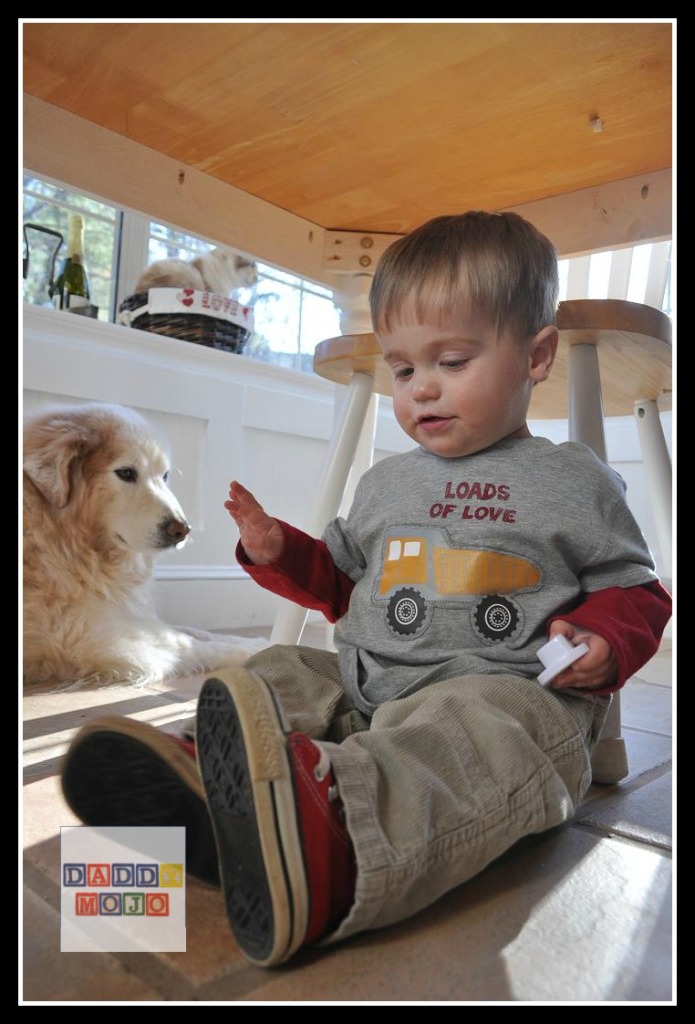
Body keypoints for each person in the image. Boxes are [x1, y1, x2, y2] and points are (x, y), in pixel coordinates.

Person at [61, 211, 672, 970]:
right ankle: (199, 784)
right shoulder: (388, 480)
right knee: (278, 673)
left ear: (535, 355)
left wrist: (606, 639)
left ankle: (340, 842)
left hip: (500, 688)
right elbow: (348, 586)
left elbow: (635, 588)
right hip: (368, 682)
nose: (421, 391)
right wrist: (284, 552)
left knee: (480, 728)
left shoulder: (571, 479)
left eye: (451, 361)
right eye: (404, 369)